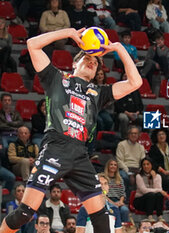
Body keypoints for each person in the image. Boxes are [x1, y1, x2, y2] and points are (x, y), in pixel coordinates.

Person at [0, 26, 142, 233]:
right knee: (25, 213)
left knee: (102, 218)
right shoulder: (57, 79)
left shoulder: (99, 92)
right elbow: (33, 45)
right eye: (87, 58)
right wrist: (68, 33)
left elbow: (135, 82)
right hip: (55, 147)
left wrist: (119, 48)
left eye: (96, 64)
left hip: (80, 154)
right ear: (75, 63)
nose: (93, 63)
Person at [134, 157, 169, 222]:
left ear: (151, 165)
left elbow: (158, 188)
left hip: (153, 202)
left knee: (159, 195)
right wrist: (160, 190)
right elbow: (144, 190)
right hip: (140, 201)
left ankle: (160, 216)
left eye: (148, 164)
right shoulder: (139, 176)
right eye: (144, 165)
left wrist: (154, 177)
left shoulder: (158, 176)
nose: (146, 166)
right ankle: (149, 216)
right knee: (151, 194)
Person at [116, 125, 146, 194]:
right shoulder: (121, 144)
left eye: (135, 133)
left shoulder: (141, 147)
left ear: (138, 135)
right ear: (128, 135)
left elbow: (143, 161)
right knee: (124, 177)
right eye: (131, 133)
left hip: (137, 169)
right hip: (125, 168)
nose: (133, 135)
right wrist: (129, 172)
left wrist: (139, 172)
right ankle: (126, 197)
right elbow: (119, 160)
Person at [114, 73, 144, 139]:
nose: (126, 78)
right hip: (123, 113)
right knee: (124, 118)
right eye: (124, 76)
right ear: (121, 78)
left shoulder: (135, 90)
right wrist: (128, 114)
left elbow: (141, 105)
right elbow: (117, 106)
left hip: (135, 113)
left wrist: (137, 113)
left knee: (146, 118)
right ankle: (125, 137)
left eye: (128, 76)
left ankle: (143, 137)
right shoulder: (118, 89)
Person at [149, 128, 169, 194]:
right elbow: (153, 162)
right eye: (159, 135)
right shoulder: (153, 148)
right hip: (160, 171)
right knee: (164, 178)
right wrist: (164, 172)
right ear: (156, 137)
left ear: (166, 136)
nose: (161, 136)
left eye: (163, 134)